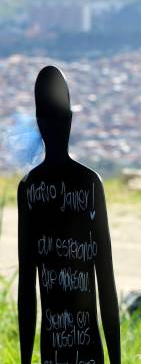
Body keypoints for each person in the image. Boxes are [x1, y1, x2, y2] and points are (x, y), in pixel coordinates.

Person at [18, 66, 120, 364]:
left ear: (39, 124)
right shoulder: (88, 182)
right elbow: (107, 283)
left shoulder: (31, 187)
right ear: (71, 120)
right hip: (83, 347)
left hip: (57, 347)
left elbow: (27, 286)